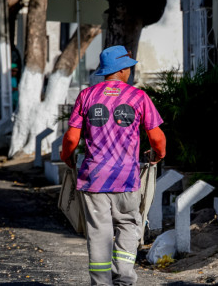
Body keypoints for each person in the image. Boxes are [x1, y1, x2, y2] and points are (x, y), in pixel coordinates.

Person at [61, 45, 167, 286]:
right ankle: (124, 278)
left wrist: (67, 156)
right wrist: (158, 154)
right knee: (129, 225)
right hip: (127, 179)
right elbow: (157, 138)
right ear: (122, 70)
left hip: (94, 179)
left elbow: (70, 138)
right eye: (129, 67)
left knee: (99, 233)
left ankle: (101, 284)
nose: (130, 70)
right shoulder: (138, 97)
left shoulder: (86, 96)